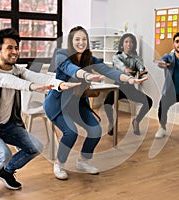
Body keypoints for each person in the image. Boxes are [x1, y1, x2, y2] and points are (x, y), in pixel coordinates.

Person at [0, 28, 79, 200]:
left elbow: (37, 76)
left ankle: (7, 172)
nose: (15, 52)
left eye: (16, 47)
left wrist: (58, 84)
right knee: (3, 154)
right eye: (10, 48)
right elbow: (7, 81)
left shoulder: (17, 69)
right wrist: (31, 86)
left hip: (8, 124)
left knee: (35, 148)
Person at [43, 26, 148, 180]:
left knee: (95, 130)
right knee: (70, 133)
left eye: (84, 39)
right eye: (77, 39)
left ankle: (83, 161)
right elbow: (70, 68)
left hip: (78, 103)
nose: (81, 42)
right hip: (58, 104)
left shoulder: (90, 58)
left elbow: (110, 71)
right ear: (71, 41)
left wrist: (130, 79)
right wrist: (86, 75)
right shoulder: (61, 55)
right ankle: (59, 163)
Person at [104, 33, 153, 135]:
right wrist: (127, 70)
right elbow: (120, 65)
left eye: (131, 42)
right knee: (107, 104)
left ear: (134, 44)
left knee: (149, 102)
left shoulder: (137, 58)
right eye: (126, 42)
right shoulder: (117, 57)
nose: (129, 44)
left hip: (130, 89)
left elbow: (140, 66)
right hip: (117, 86)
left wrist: (142, 71)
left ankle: (136, 121)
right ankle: (111, 123)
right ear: (122, 44)